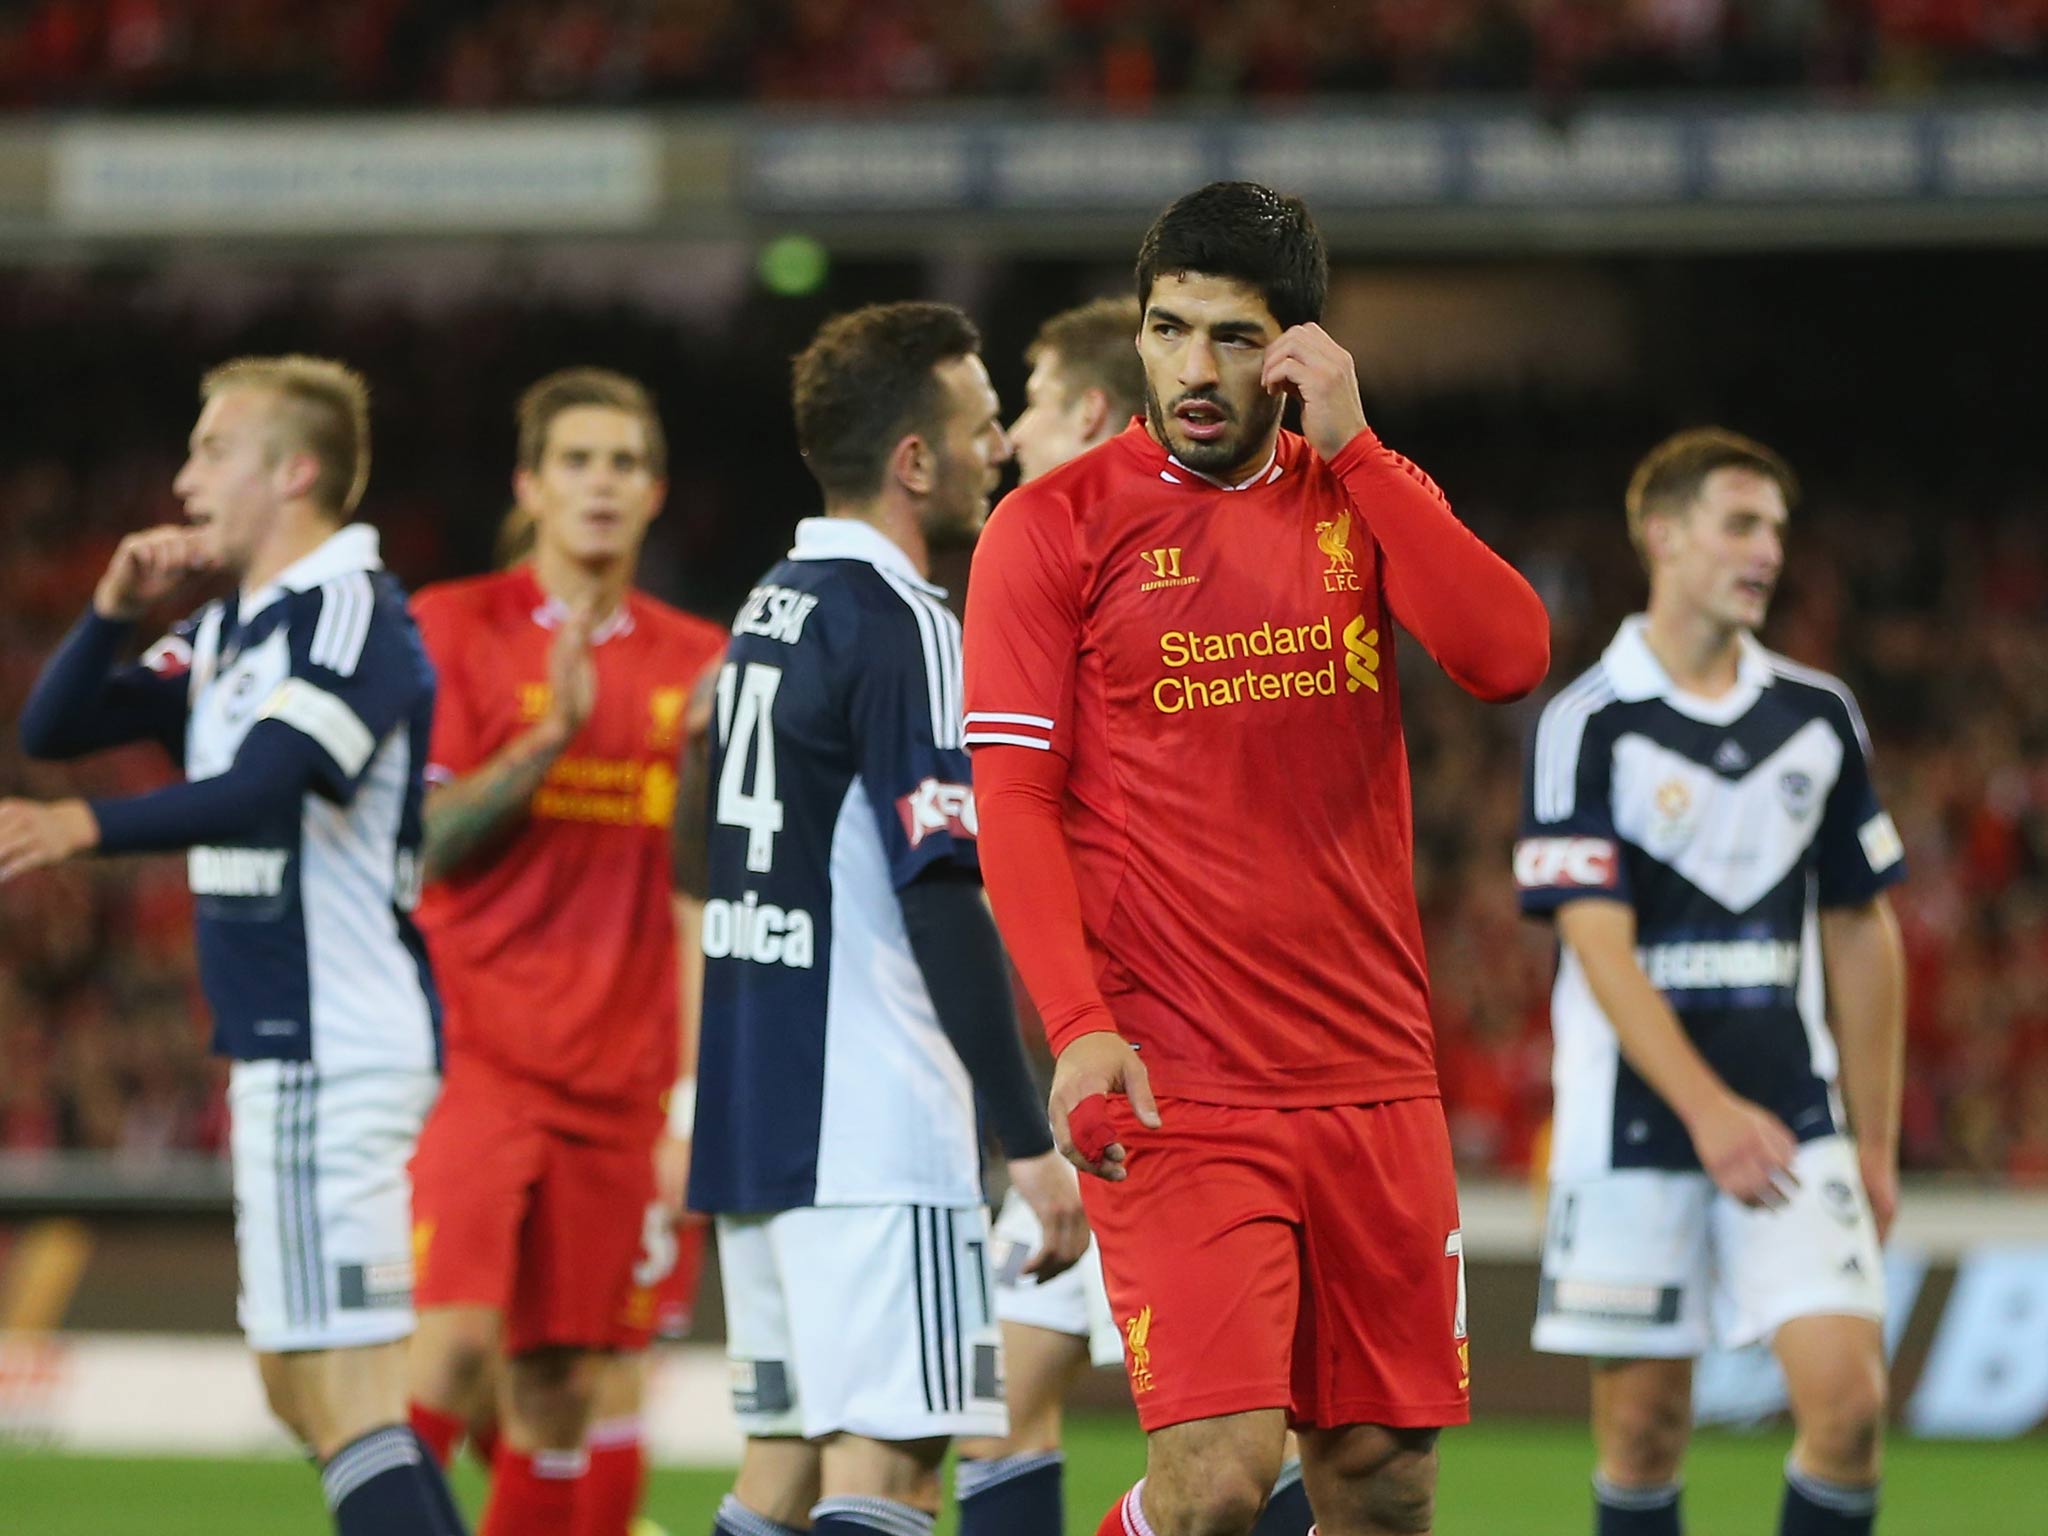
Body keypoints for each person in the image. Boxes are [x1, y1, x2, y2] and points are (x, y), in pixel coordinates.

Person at [964, 180, 1551, 1536]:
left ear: (1298, 352)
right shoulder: (1050, 529)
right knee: (1220, 1483)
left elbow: (1508, 655)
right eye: (1170, 331)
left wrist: (1359, 449)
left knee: (1384, 1487)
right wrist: (1076, 1027)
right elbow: (1015, 804)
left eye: (1233, 338)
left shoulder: (1359, 497)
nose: (1191, 369)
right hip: (1183, 1083)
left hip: (1371, 1076)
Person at [1, 356, 462, 1536]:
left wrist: (83, 826)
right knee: (298, 1385)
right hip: (284, 1047)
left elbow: (262, 789)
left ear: (293, 471)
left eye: (212, 448)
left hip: (335, 1039)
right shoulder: (227, 631)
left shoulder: (356, 614)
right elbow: (54, 727)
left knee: (346, 1398)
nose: (184, 474)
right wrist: (109, 608)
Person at [688, 300, 1088, 1536]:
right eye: (978, 428)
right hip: (868, 1123)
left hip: (756, 1109)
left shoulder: (770, 605)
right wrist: (1027, 1140)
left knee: (784, 1470)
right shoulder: (906, 625)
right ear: (913, 460)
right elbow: (940, 895)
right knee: (897, 1470)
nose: (1000, 449)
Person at [960, 293, 1314, 1536]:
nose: (1003, 437)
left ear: (1098, 414)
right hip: (1084, 1073)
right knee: (1016, 1409)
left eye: (1035, 404)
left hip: (1189, 1078)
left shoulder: (1202, 583)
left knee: (1252, 1460)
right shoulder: (1027, 577)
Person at [1514, 428, 1905, 1536]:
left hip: (1788, 1113)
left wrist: (1871, 1140)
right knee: (1641, 1432)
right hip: (1634, 1121)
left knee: (1848, 1407)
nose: (1767, 551)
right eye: (1740, 524)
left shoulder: (1817, 716)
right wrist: (1703, 1111)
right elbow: (1594, 943)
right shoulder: (1585, 722)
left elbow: (1860, 929)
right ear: (1664, 537)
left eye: (1776, 529)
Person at [401, 369, 727, 1536]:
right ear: (529, 487)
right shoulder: (454, 626)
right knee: (450, 1353)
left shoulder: (704, 664)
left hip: (627, 1085)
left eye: (624, 464)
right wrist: (546, 742)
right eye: (578, 461)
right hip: (475, 1059)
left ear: (654, 496)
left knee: (560, 1389)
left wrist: (694, 1096)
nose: (601, 483)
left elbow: (713, 895)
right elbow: (423, 846)